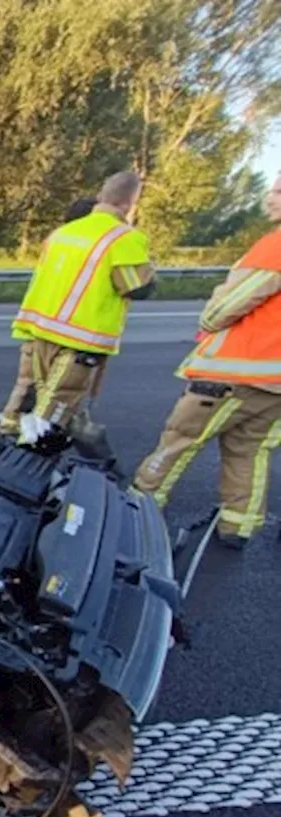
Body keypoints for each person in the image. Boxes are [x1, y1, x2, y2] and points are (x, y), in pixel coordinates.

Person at [132, 172, 281, 549]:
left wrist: (209, 318)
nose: (271, 196)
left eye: (279, 189)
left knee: (179, 440)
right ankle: (238, 527)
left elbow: (231, 304)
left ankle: (139, 512)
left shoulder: (274, 246)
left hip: (235, 372)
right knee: (250, 451)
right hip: (274, 383)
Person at [4, 173, 157, 446]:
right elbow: (136, 287)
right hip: (80, 336)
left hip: (41, 329)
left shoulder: (63, 232)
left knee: (35, 396)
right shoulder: (124, 237)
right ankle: (23, 469)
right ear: (130, 203)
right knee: (50, 416)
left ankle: (8, 443)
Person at [0, 196, 99, 435]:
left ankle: (11, 428)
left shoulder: (56, 242)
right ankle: (38, 437)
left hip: (37, 324)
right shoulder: (86, 248)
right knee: (59, 391)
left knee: (28, 383)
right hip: (65, 331)